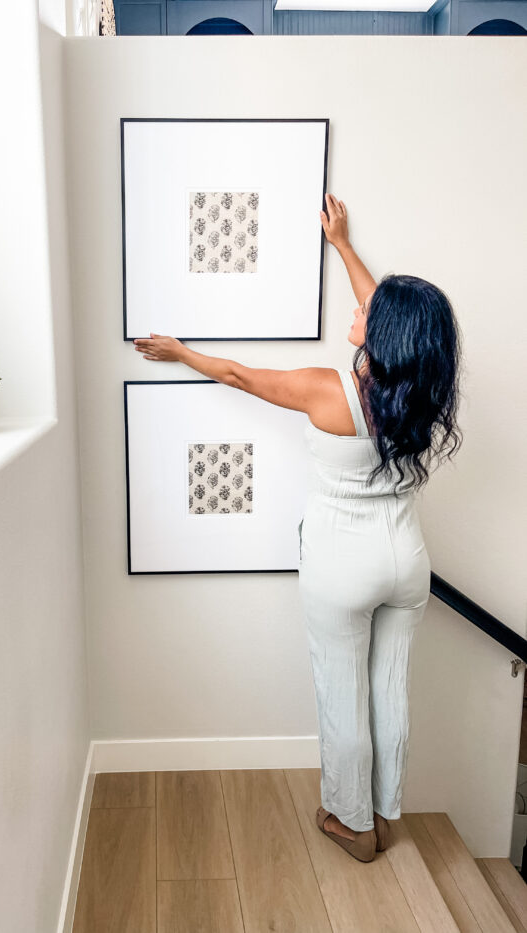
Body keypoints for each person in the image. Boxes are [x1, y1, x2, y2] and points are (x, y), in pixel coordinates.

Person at [133, 192, 463, 862]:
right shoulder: (423, 389)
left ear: (383, 333)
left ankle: (351, 824)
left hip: (343, 562)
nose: (357, 306)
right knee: (389, 689)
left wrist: (181, 350)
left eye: (366, 311)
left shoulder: (326, 389)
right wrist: (342, 245)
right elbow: (391, 313)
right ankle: (384, 808)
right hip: (407, 561)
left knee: (342, 693)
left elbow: (238, 374)